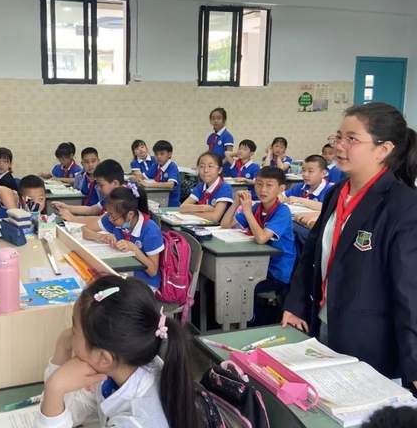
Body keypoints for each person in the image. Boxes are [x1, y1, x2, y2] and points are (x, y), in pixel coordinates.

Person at [282, 103, 417, 389]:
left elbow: (409, 291)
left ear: (383, 149)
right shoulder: (337, 193)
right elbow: (311, 255)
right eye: (339, 136)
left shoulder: (403, 205)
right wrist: (295, 305)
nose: (339, 146)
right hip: (323, 324)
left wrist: (414, 364)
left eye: (352, 139)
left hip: (370, 343)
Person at [37, 276, 199, 428]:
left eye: (74, 330)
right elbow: (69, 410)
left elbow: (57, 406)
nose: (69, 334)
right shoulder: (125, 362)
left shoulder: (134, 421)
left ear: (103, 357)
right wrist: (63, 346)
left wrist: (54, 388)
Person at [222, 167, 296, 322]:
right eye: (259, 184)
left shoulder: (282, 211)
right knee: (226, 277)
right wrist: (235, 204)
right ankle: (233, 319)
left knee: (239, 284)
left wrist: (247, 212)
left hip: (277, 271)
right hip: (257, 265)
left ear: (281, 189)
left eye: (269, 185)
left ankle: (248, 321)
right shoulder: (257, 207)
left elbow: (261, 238)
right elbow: (225, 225)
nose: (263, 190)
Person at [82, 186, 164, 288]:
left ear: (130, 215)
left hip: (144, 284)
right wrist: (101, 237)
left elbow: (153, 271)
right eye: (109, 214)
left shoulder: (150, 230)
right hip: (121, 275)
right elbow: (85, 230)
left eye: (112, 216)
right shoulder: (114, 217)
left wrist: (134, 249)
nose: (110, 219)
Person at [53, 159, 125, 222]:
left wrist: (73, 218)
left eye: (101, 185)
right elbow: (91, 210)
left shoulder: (122, 200)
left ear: (115, 183)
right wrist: (66, 207)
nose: (98, 188)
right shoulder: (111, 197)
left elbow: (101, 221)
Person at [179, 152, 233, 223]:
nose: (205, 170)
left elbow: (214, 218)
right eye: (202, 166)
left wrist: (190, 212)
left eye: (210, 166)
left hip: (218, 227)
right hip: (201, 225)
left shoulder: (225, 188)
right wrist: (203, 208)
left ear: (219, 170)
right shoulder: (200, 186)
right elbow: (182, 207)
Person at [143, 140, 181, 207]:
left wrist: (149, 185)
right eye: (156, 154)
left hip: (170, 204)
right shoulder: (156, 165)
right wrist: (136, 178)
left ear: (169, 154)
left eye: (162, 154)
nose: (158, 156)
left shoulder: (172, 166)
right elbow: (143, 177)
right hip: (158, 199)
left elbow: (170, 184)